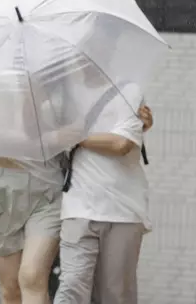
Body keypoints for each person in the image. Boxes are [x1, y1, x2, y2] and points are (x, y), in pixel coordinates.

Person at [0, 72, 79, 304]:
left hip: (48, 193)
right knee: (10, 289)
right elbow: (3, 139)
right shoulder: (1, 83)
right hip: (5, 191)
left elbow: (77, 131)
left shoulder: (59, 87)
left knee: (32, 276)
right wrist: (51, 138)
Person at [53, 79, 154, 304]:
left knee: (115, 295)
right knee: (71, 287)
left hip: (122, 208)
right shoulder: (63, 97)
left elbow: (121, 144)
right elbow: (47, 136)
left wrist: (74, 136)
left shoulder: (130, 90)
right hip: (78, 205)